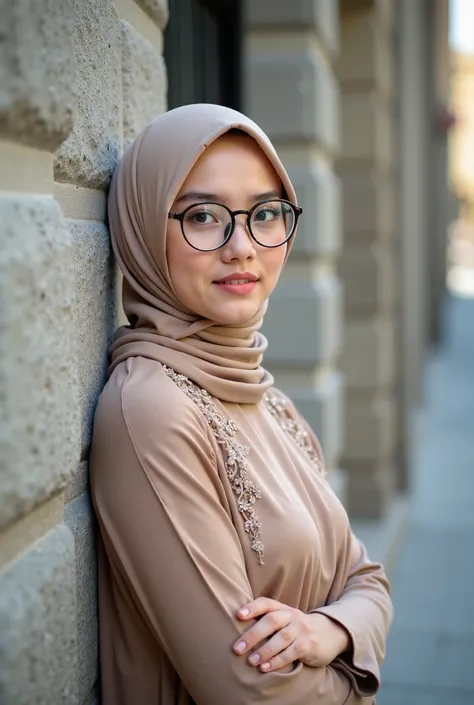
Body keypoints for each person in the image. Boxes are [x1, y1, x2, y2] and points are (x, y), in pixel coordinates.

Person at [90, 103, 392, 705]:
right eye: (204, 216)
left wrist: (329, 629)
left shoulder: (268, 398)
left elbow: (369, 580)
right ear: (145, 229)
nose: (242, 247)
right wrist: (357, 664)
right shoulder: (150, 413)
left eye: (265, 214)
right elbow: (248, 689)